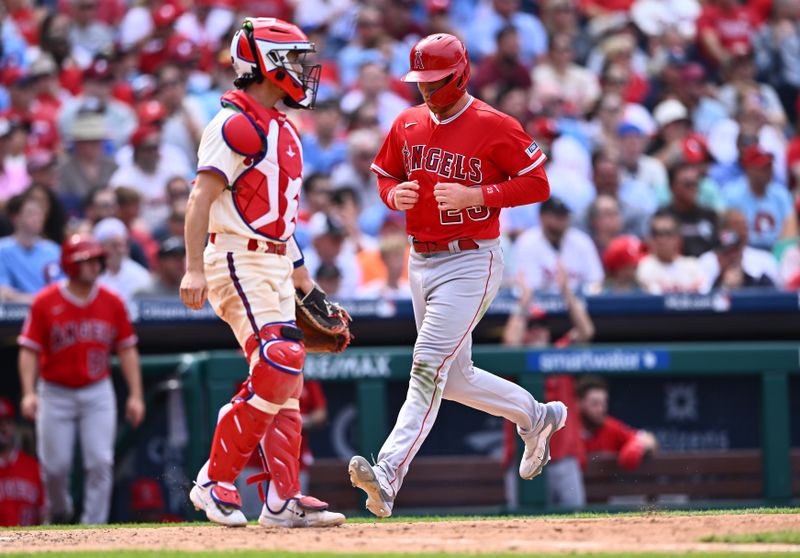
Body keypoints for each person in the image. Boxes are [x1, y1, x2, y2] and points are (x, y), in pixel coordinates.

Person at [348, 33, 567, 518]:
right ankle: (536, 417)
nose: (427, 90)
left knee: (426, 363)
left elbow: (538, 182)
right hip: (419, 258)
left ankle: (388, 472)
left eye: (436, 80)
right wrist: (391, 196)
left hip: (472, 259)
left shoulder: (493, 123)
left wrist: (480, 196)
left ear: (461, 74)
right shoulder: (406, 122)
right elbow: (384, 173)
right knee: (455, 379)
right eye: (421, 80)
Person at [178, 17, 345, 529]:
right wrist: (191, 269)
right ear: (267, 63)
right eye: (294, 59)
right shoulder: (234, 123)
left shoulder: (283, 129)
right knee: (280, 358)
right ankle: (215, 480)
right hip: (234, 255)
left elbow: (281, 223)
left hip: (272, 258)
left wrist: (307, 284)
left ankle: (283, 500)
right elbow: (200, 197)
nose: (303, 70)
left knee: (286, 378)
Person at [17, 234, 145, 524]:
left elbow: (127, 349)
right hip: (54, 390)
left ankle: (94, 526)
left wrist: (136, 395)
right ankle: (59, 512)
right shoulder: (45, 301)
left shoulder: (112, 301)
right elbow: (29, 350)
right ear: (70, 264)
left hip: (96, 390)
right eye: (85, 260)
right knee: (55, 468)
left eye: (95, 260)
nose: (93, 265)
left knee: (101, 462)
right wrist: (28, 392)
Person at [502, 263, 594, 508]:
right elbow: (510, 341)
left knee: (576, 524)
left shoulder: (560, 353)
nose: (539, 331)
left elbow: (585, 332)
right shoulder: (516, 360)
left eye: (543, 326)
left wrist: (567, 292)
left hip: (564, 459)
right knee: (520, 524)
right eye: (532, 326)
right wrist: (524, 302)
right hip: (523, 460)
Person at [515, 197, 604, 293]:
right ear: (542, 217)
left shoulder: (582, 241)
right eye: (557, 216)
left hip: (580, 301)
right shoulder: (527, 242)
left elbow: (596, 281)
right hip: (540, 303)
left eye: (564, 215)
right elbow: (529, 286)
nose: (563, 221)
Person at [577, 376, 658, 471]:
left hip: (606, 485)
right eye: (595, 404)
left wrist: (637, 446)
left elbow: (648, 439)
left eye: (603, 403)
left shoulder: (610, 427)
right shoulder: (567, 431)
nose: (601, 409)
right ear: (579, 403)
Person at [0, 194, 61, 303]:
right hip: (16, 314)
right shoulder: (2, 250)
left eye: (40, 214)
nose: (38, 218)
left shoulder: (53, 250)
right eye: (31, 213)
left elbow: (64, 287)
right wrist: (39, 301)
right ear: (15, 218)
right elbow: (3, 292)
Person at [637, 209, 708, 294]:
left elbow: (703, 292)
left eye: (667, 233)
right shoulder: (645, 266)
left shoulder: (692, 265)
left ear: (678, 238)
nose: (661, 239)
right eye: (656, 233)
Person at [0, 397, 44, 526]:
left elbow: (45, 514)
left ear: (14, 426)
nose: (3, 429)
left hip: (30, 541)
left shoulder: (33, 467)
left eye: (7, 422)